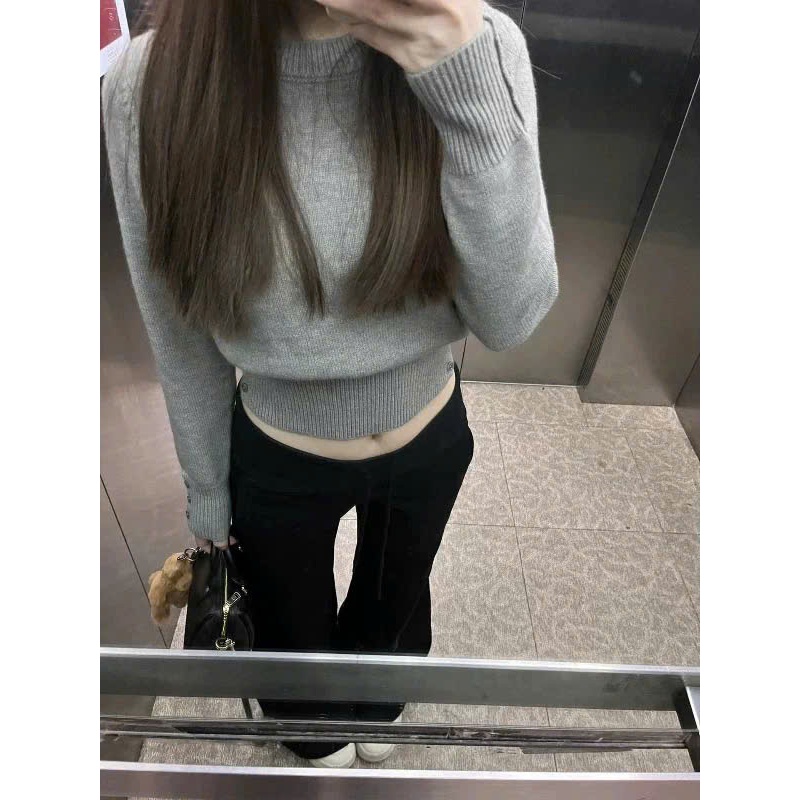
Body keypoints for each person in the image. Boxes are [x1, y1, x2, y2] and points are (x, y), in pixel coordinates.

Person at [102, 0, 558, 769]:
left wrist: (466, 91)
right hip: (275, 454)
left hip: (428, 435)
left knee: (396, 602)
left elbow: (512, 317)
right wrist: (207, 496)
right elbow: (178, 334)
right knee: (292, 630)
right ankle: (313, 731)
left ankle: (379, 702)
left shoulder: (479, 44)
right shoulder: (153, 83)